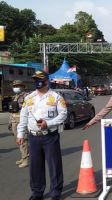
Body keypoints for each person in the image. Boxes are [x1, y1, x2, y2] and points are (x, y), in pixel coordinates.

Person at [16, 71, 67, 200]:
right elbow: (23, 117)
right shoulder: (29, 98)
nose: (37, 82)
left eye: (39, 79)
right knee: (35, 167)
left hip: (50, 136)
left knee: (54, 166)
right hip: (33, 137)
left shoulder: (56, 97)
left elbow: (63, 115)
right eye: (35, 79)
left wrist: (48, 124)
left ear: (46, 81)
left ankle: (55, 192)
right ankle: (37, 193)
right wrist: (20, 133)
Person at [8, 80, 29, 168]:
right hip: (14, 120)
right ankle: (23, 157)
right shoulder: (15, 96)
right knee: (18, 141)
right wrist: (10, 122)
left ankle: (26, 159)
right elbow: (12, 110)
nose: (16, 87)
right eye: (14, 86)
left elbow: (28, 109)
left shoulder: (27, 96)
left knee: (23, 140)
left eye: (18, 85)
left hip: (21, 121)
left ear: (23, 86)